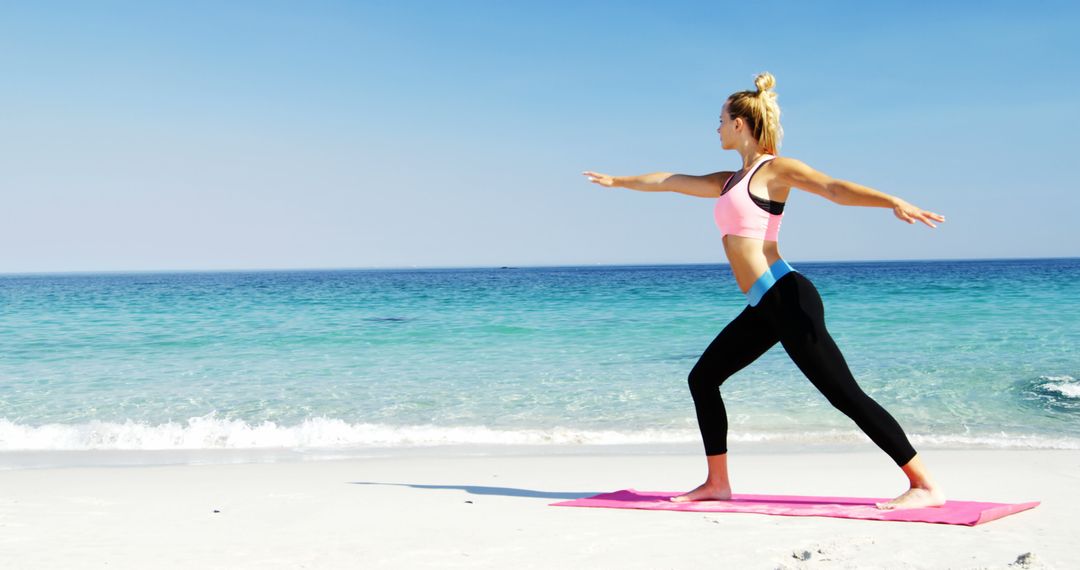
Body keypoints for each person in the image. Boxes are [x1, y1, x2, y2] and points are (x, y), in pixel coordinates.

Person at [582, 72, 947, 510]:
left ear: (740, 123)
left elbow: (833, 188)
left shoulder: (775, 169)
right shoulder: (728, 180)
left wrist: (892, 201)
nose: (715, 128)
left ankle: (924, 484)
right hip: (763, 304)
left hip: (787, 297)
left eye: (719, 119)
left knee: (844, 394)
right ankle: (717, 483)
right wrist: (617, 181)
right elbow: (669, 180)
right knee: (703, 378)